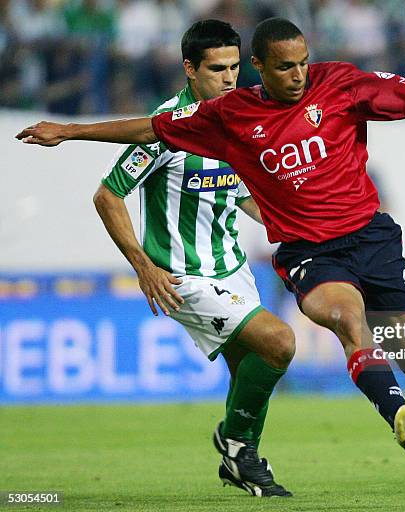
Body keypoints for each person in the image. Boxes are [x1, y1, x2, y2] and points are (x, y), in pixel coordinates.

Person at [17, 17, 405, 475]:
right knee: (344, 323)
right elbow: (147, 129)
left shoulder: (344, 84)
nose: (299, 73)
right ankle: (395, 412)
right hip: (310, 253)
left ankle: (390, 383)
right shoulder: (230, 116)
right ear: (261, 66)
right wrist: (67, 130)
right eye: (285, 65)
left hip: (372, 238)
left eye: (303, 61)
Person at [92, 20, 294, 498]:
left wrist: (298, 226)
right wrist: (143, 266)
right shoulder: (167, 128)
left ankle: (241, 461)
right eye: (217, 69)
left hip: (233, 268)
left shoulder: (240, 117)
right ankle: (237, 445)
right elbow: (107, 196)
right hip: (181, 275)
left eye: (235, 67)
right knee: (280, 343)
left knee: (249, 367)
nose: (229, 79)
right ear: (189, 69)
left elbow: (242, 194)